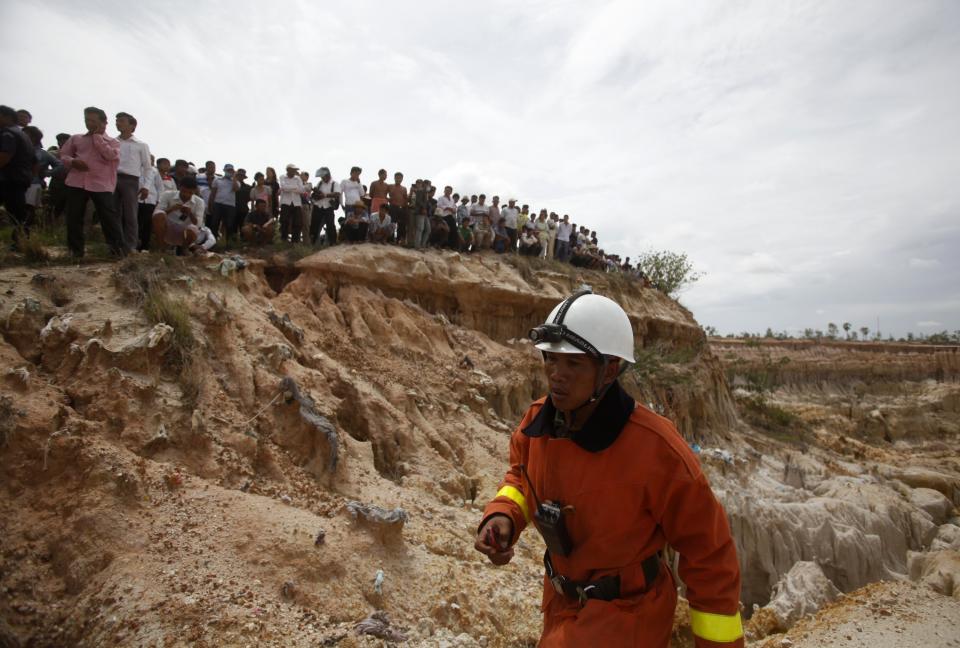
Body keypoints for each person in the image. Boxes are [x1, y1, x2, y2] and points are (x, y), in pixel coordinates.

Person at [474, 290, 744, 648]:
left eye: (574, 364)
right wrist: (503, 516)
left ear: (610, 369)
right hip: (561, 605)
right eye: (551, 360)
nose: (557, 375)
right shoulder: (537, 423)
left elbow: (709, 555)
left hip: (628, 616)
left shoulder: (656, 449)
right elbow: (521, 481)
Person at [59, 106, 123, 257]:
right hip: (76, 181)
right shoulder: (76, 138)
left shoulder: (113, 142)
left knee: (108, 218)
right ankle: (76, 251)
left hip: (101, 184)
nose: (89, 123)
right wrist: (73, 162)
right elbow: (63, 155)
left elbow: (110, 156)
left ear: (104, 123)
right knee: (74, 216)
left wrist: (97, 138)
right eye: (87, 120)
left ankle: (116, 251)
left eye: (93, 121)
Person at [113, 112, 152, 254]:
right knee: (113, 213)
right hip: (112, 178)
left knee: (131, 214)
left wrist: (146, 187)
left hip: (131, 181)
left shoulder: (141, 145)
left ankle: (130, 246)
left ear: (132, 125)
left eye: (122, 121)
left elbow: (147, 168)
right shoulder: (112, 142)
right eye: (117, 121)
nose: (118, 123)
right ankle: (115, 245)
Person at [0, 106, 37, 248]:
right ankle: (21, 242)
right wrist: (27, 177)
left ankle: (21, 242)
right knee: (18, 213)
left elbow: (4, 156)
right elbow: (35, 162)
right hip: (19, 179)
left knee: (17, 214)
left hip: (8, 179)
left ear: (6, 117)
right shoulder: (24, 136)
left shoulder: (7, 133)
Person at [152, 176, 205, 251]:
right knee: (159, 215)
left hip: (184, 233)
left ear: (194, 191)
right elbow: (156, 214)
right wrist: (171, 209)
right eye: (183, 191)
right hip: (166, 229)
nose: (186, 195)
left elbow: (198, 224)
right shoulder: (167, 194)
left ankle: (183, 250)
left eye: (190, 193)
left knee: (193, 229)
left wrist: (190, 214)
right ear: (179, 187)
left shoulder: (199, 202)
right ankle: (161, 248)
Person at [136, 155, 164, 251]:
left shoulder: (154, 171)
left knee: (147, 225)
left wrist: (158, 201)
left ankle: (145, 247)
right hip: (137, 200)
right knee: (137, 223)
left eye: (152, 160)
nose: (151, 161)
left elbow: (160, 187)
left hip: (150, 201)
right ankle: (135, 245)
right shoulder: (136, 168)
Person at [208, 163, 240, 241]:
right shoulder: (217, 180)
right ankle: (213, 242)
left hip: (230, 206)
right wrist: (210, 205)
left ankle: (228, 243)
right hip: (218, 204)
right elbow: (213, 193)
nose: (229, 172)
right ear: (224, 170)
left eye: (231, 170)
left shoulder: (236, 182)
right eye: (228, 170)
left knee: (229, 225)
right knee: (215, 224)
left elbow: (235, 189)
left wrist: (234, 177)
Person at [310, 167, 339, 246]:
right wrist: (316, 194)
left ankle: (333, 243)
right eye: (321, 176)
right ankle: (312, 243)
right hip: (318, 206)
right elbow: (316, 195)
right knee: (314, 225)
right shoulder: (319, 183)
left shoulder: (334, 183)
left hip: (328, 207)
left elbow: (337, 194)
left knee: (330, 225)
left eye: (323, 176)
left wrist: (325, 195)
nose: (322, 178)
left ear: (328, 175)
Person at [278, 163, 305, 242]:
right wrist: (296, 188)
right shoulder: (282, 177)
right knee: (284, 221)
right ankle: (284, 239)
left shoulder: (298, 178)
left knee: (298, 223)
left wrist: (290, 188)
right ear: (288, 170)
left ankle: (295, 241)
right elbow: (284, 187)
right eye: (293, 170)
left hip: (296, 203)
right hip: (285, 202)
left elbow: (302, 190)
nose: (294, 171)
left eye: (295, 170)